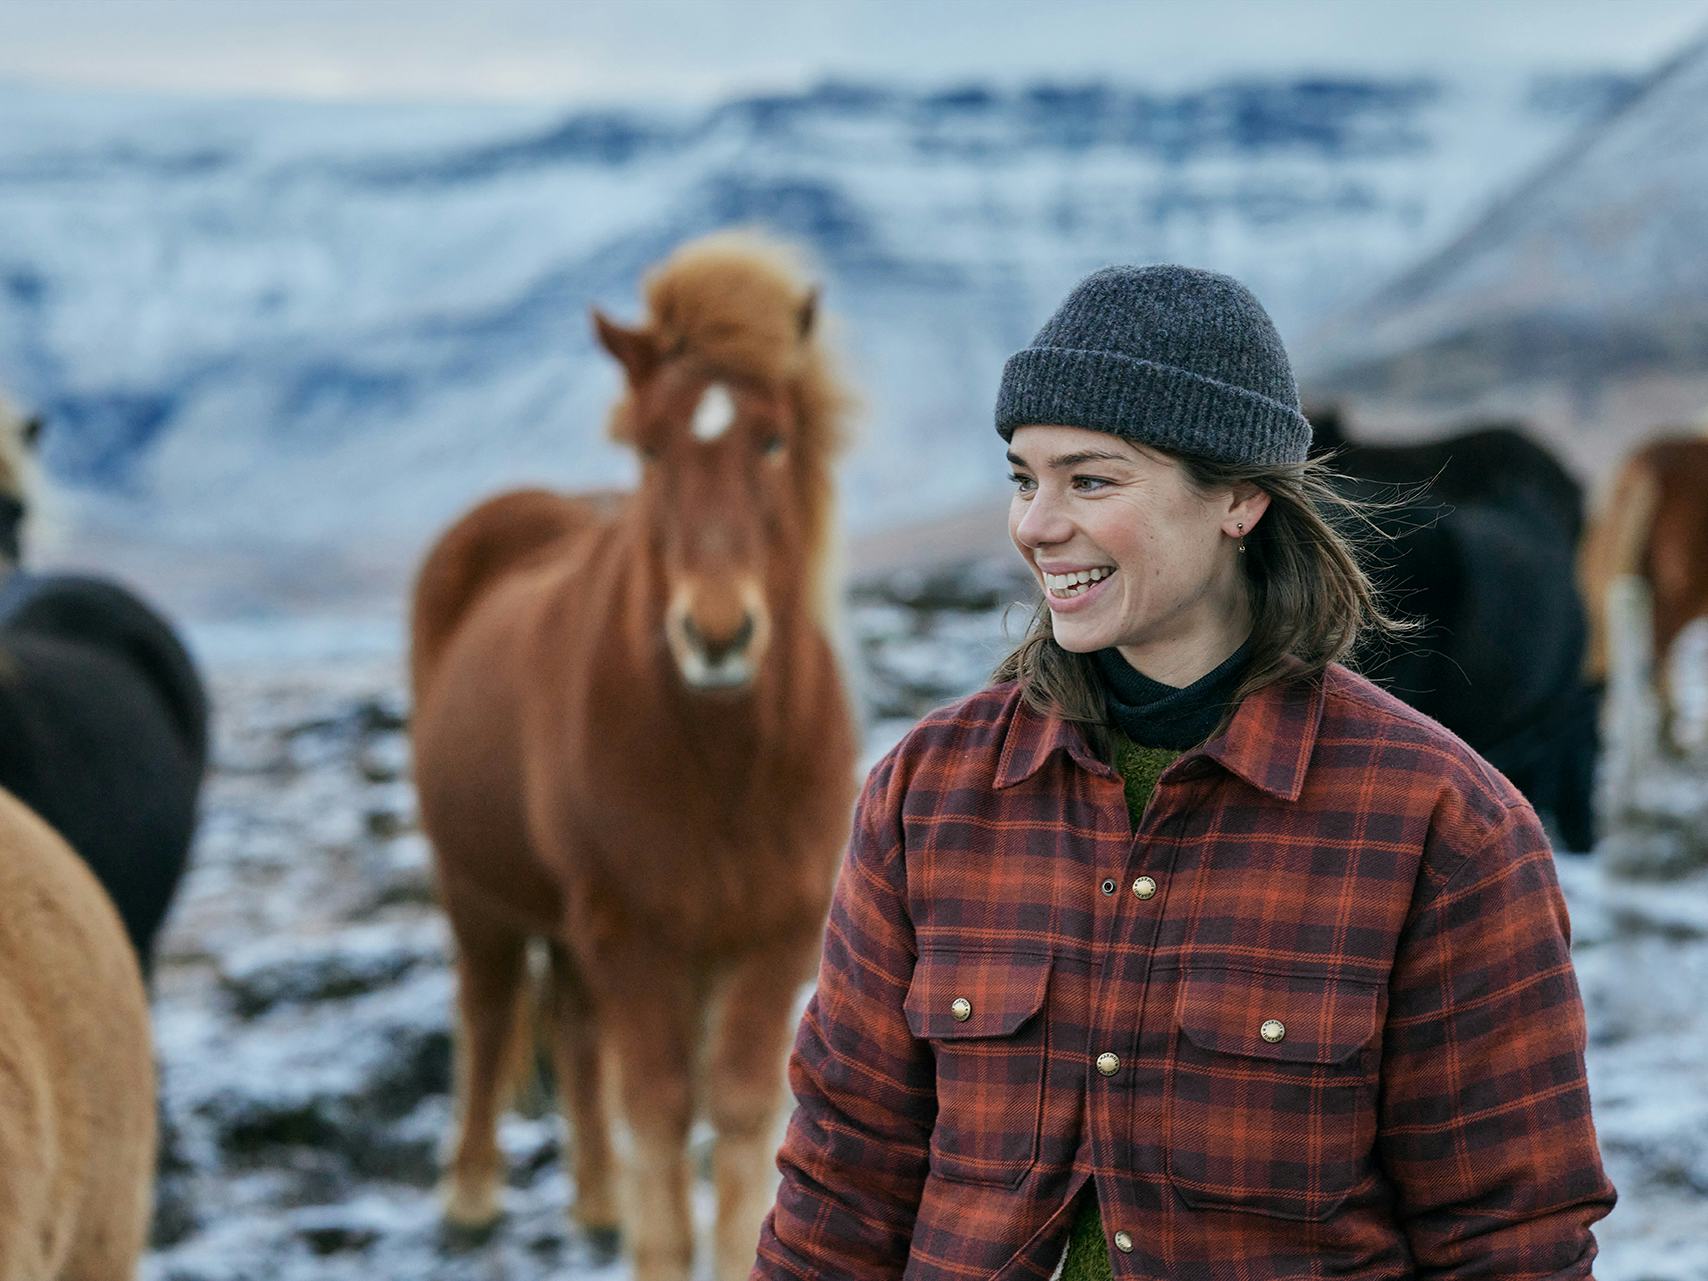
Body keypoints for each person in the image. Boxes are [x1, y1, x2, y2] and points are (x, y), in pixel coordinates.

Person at [752, 266, 1615, 1280]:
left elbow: (1509, 1239)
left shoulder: (1443, 828)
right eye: (1023, 478)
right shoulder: (928, 794)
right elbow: (842, 1181)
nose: (1034, 524)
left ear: (1240, 498)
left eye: (1091, 479)